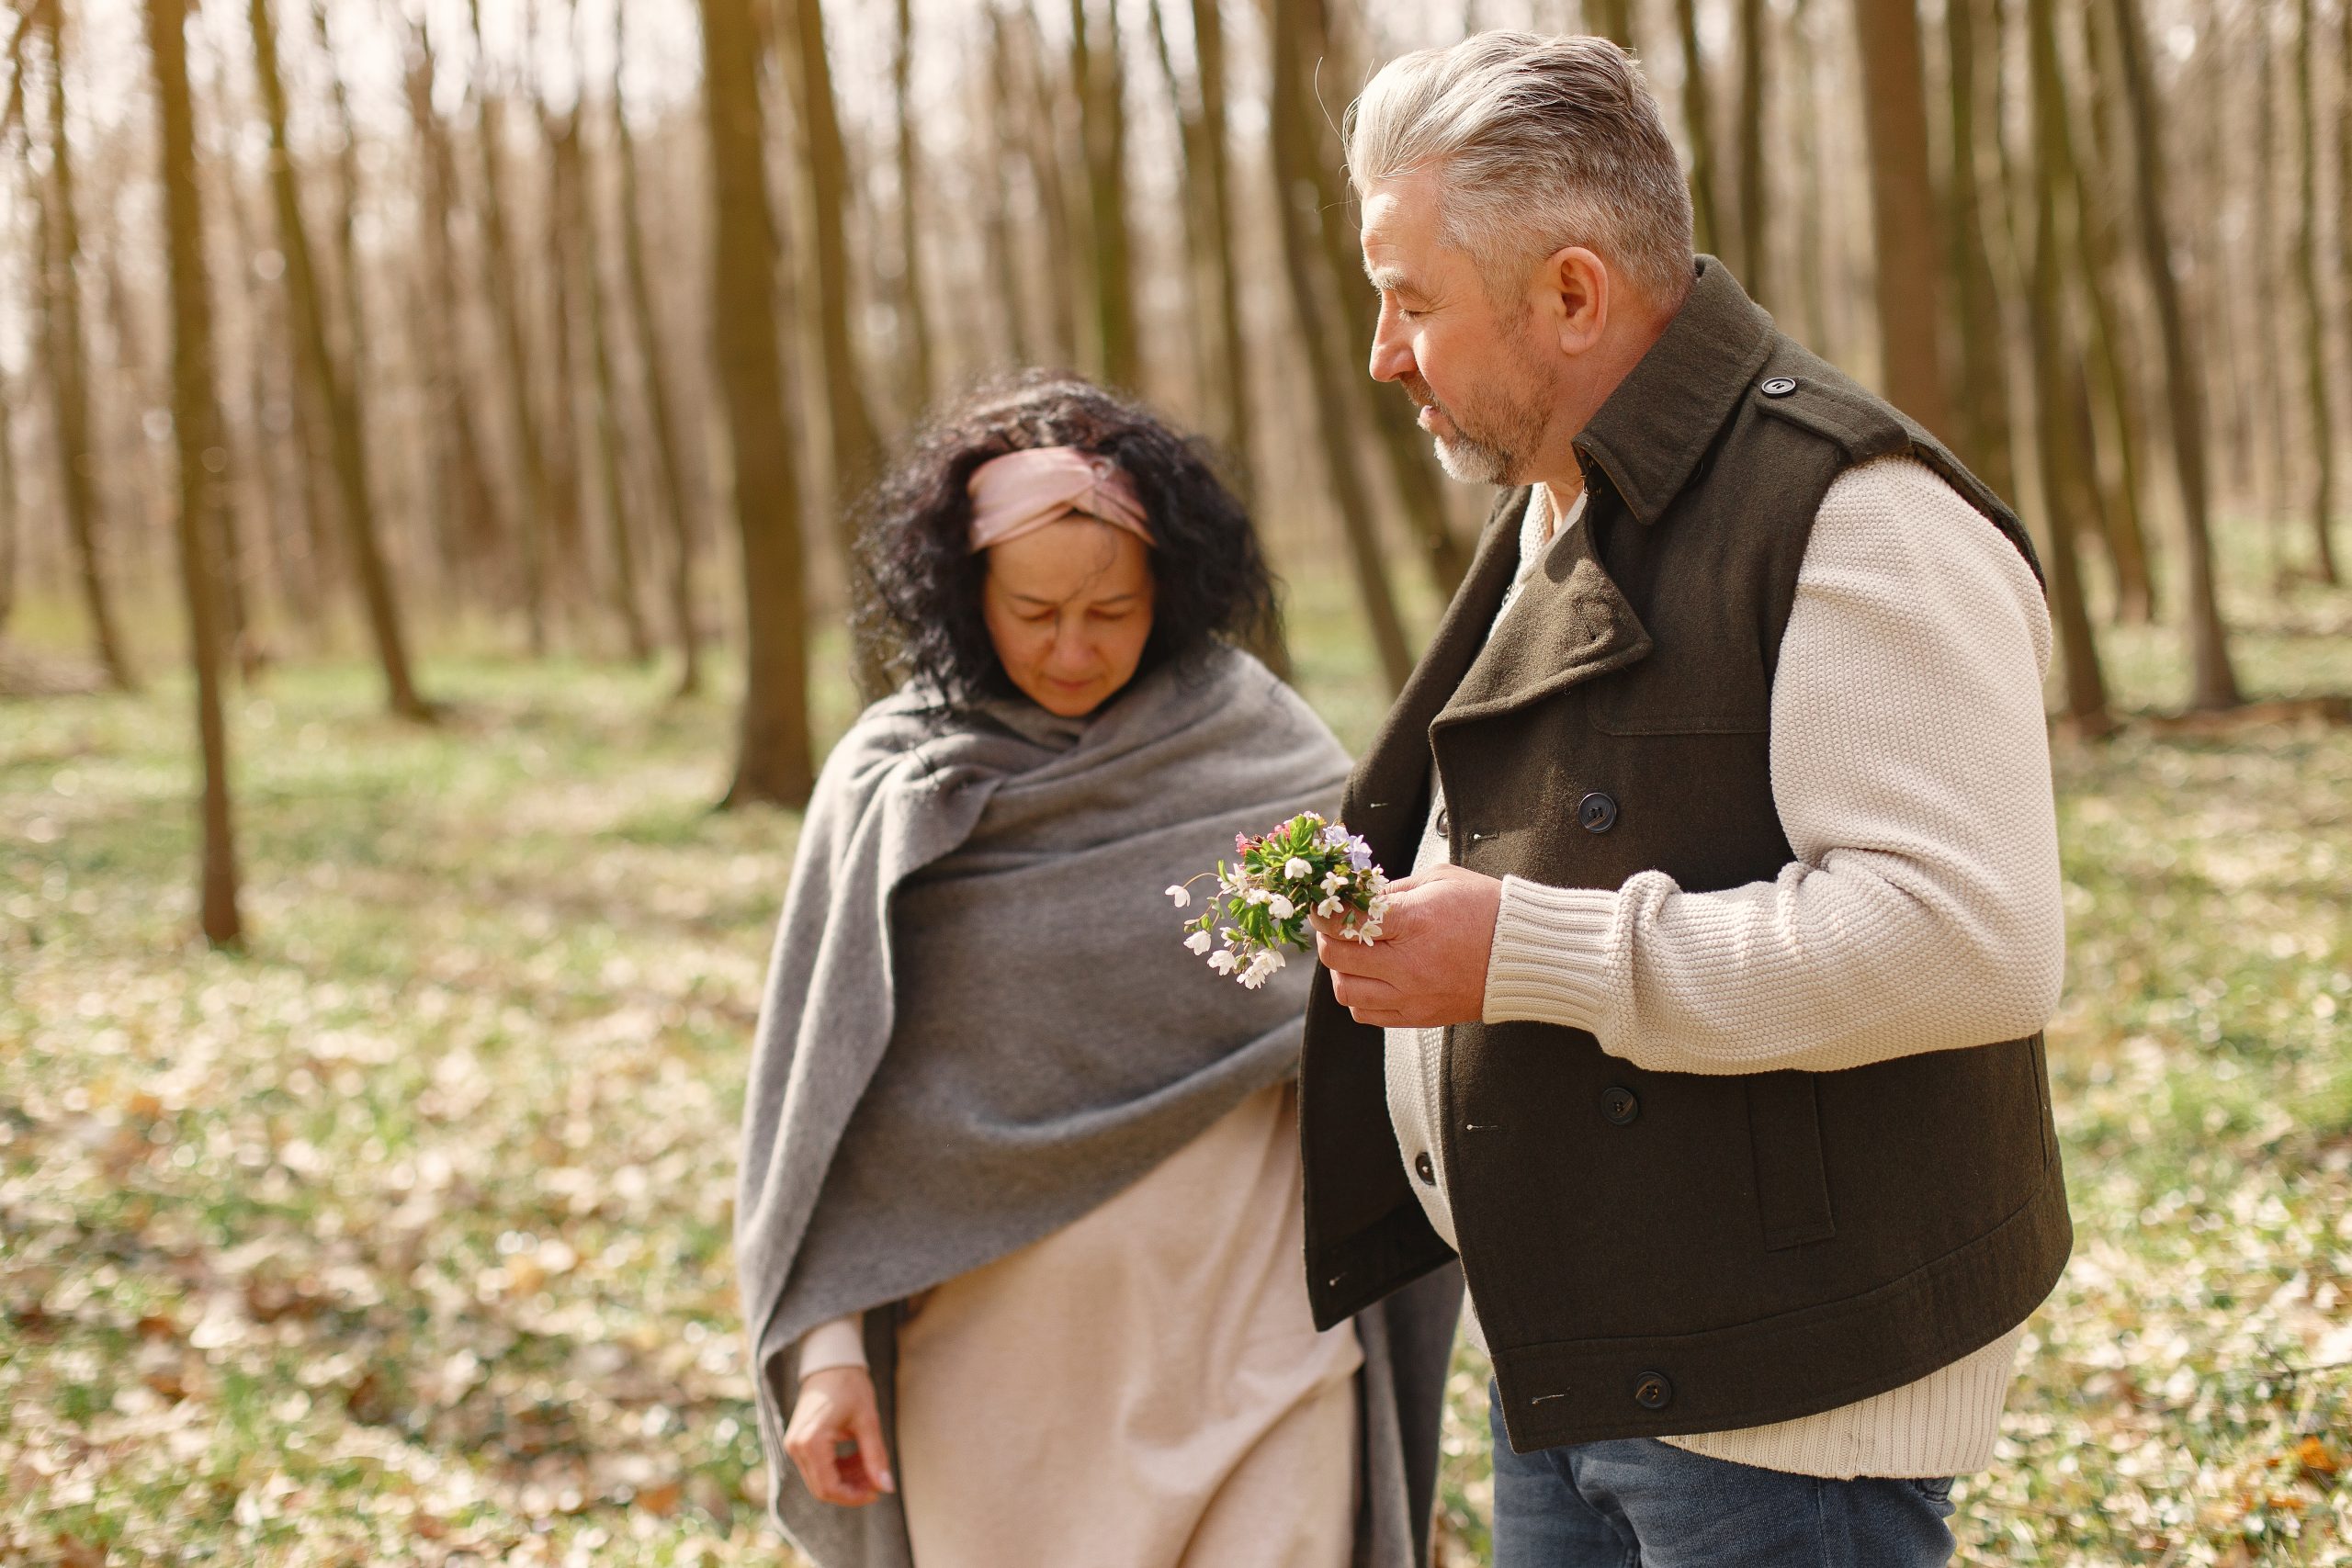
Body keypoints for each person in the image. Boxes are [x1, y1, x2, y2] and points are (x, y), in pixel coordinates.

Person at [1297, 33, 2072, 1568]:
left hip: (1785, 1412)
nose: (1384, 353)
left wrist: (1520, 951)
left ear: (1573, 297)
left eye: (1413, 299)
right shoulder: (1565, 497)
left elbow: (1967, 940)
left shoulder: (1854, 513)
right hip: (1578, 1347)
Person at [735, 373, 1462, 1568]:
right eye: (1033, 612)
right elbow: (822, 1107)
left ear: (1170, 594)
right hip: (1000, 1391)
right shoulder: (895, 785)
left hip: (1259, 1344)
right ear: (969, 596)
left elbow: (1374, 1019)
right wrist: (826, 1360)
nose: (1073, 649)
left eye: (1111, 611)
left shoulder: (1260, 748)